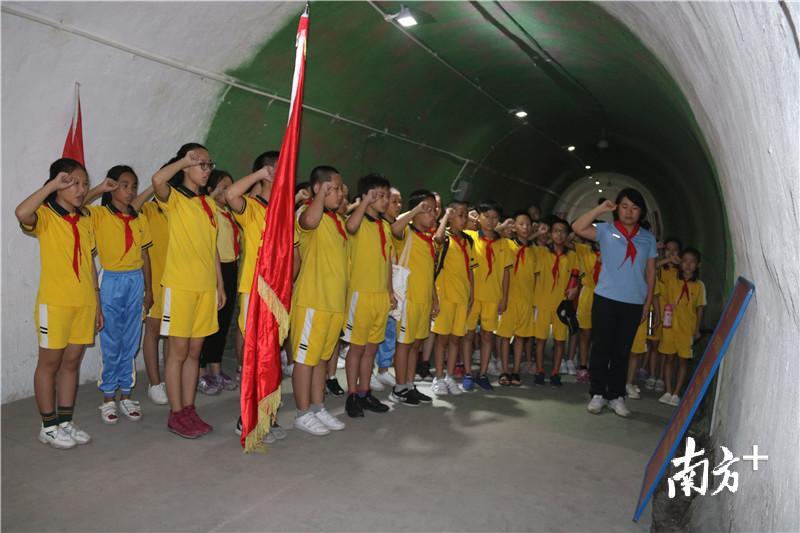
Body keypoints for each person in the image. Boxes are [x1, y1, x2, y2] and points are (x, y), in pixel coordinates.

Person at [16, 158, 100, 448]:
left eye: (84, 183)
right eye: (73, 182)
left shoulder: (86, 218)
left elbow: (89, 264)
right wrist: (51, 185)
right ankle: (48, 426)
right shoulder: (46, 216)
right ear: (58, 184)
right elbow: (21, 212)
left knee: (72, 362)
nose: (80, 189)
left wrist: (97, 303)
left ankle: (65, 421)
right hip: (55, 304)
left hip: (84, 302)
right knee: (49, 363)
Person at [152, 143, 226, 438]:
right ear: (185, 168)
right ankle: (176, 412)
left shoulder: (208, 203)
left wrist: (219, 284)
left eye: (209, 164)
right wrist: (183, 159)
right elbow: (158, 180)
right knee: (178, 352)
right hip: (181, 286)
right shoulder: (174, 198)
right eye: (201, 164)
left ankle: (190, 408)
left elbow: (213, 251)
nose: (207, 170)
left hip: (205, 288)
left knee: (196, 352)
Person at [572, 189, 657, 418]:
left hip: (633, 302)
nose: (629, 212)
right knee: (601, 348)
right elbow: (578, 227)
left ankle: (616, 396)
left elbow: (650, 273)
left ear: (641, 212)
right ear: (617, 208)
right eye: (625, 206)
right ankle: (598, 393)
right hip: (606, 298)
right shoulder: (606, 231)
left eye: (635, 208)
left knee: (622, 351)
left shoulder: (647, 238)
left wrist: (647, 304)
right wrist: (600, 209)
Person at [84, 166, 152, 424]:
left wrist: (149, 289)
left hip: (135, 281)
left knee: (131, 341)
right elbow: (78, 207)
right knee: (111, 341)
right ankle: (108, 397)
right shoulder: (99, 215)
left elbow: (145, 256)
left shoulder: (139, 218)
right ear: (113, 187)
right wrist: (100, 188)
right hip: (111, 280)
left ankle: (126, 394)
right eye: (124, 185)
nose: (130, 190)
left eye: (133, 185)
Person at [290, 165, 348, 435]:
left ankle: (317, 406)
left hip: (333, 304)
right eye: (334, 188)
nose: (339, 194)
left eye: (339, 188)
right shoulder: (306, 213)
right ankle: (302, 412)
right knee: (305, 359)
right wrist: (320, 197)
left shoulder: (337, 222)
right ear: (319, 188)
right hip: (312, 300)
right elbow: (309, 223)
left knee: (321, 360)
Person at [341, 174, 394, 417]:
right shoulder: (357, 220)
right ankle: (352, 394)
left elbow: (388, 261)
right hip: (360, 295)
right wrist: (364, 202)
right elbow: (350, 226)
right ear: (367, 196)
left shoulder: (385, 226)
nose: (384, 200)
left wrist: (390, 290)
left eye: (386, 195)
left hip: (380, 296)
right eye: (379, 195)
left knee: (371, 349)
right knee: (357, 348)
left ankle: (365, 392)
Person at [389, 190, 438, 406]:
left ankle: (409, 384)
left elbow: (430, 274)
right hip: (408, 299)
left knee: (415, 344)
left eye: (434, 210)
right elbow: (394, 227)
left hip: (424, 300)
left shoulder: (429, 239)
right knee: (404, 344)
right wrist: (415, 211)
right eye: (426, 210)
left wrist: (434, 299)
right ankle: (399, 387)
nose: (432, 215)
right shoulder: (406, 233)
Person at [464, 201, 513, 391]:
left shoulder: (505, 244)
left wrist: (505, 297)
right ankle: (468, 372)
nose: (491, 222)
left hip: (493, 296)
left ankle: (482, 373)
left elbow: (507, 273)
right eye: (487, 217)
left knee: (487, 336)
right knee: (468, 335)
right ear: (479, 217)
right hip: (472, 296)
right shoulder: (469, 238)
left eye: (495, 218)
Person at [198, 170, 239, 395]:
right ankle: (202, 372)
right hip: (216, 269)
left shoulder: (229, 213)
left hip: (231, 267)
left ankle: (217, 368)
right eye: (222, 188)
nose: (227, 192)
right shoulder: (209, 210)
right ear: (210, 190)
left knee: (222, 325)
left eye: (229, 187)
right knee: (208, 325)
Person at [430, 201, 475, 396]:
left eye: (465, 215)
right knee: (442, 340)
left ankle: (449, 376)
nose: (464, 219)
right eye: (460, 215)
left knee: (456, 339)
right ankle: (438, 377)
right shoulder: (445, 238)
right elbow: (437, 239)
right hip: (446, 296)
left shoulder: (468, 241)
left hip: (462, 297)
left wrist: (472, 293)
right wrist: (445, 217)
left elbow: (470, 270)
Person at [531, 218, 579, 386]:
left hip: (562, 304)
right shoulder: (541, 252)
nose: (559, 235)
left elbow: (576, 276)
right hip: (543, 301)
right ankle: (539, 370)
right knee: (541, 339)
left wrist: (575, 289)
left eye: (563, 231)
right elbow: (525, 244)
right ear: (551, 234)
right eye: (556, 231)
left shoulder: (572, 255)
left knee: (560, 340)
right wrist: (538, 233)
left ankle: (556, 372)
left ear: (567, 235)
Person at [658, 247, 706, 407]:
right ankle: (667, 390)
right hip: (670, 327)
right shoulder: (672, 280)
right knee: (669, 359)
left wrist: (697, 329)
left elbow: (700, 308)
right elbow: (653, 268)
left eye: (692, 262)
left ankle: (676, 393)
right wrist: (669, 260)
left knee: (683, 361)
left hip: (687, 329)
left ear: (698, 265)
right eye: (684, 261)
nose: (688, 265)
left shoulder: (699, 286)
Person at [496, 212, 539, 387]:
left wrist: (533, 302)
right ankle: (504, 370)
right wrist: (505, 225)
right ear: (514, 227)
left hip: (526, 300)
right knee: (505, 337)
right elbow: (492, 233)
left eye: (528, 224)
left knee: (521, 337)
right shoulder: (506, 244)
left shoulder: (533, 251)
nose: (525, 228)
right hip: (509, 298)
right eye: (521, 224)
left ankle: (515, 371)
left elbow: (534, 278)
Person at [138, 188, 169, 405]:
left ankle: (169, 379)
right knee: (154, 331)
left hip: (178, 281)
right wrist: (152, 188)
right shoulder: (148, 209)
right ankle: (154, 383)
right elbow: (130, 208)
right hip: (154, 280)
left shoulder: (179, 208)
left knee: (172, 334)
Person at [372, 187, 403, 391]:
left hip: (395, 283)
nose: (397, 206)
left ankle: (383, 369)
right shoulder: (380, 225)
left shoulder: (397, 227)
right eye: (394, 201)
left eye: (400, 202)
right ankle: (370, 372)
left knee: (389, 330)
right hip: (376, 284)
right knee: (374, 332)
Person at [574, 233, 602, 384]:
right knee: (585, 332)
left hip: (604, 294)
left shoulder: (612, 251)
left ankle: (598, 367)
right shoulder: (584, 250)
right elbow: (568, 239)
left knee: (600, 335)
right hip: (588, 293)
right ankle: (583, 366)